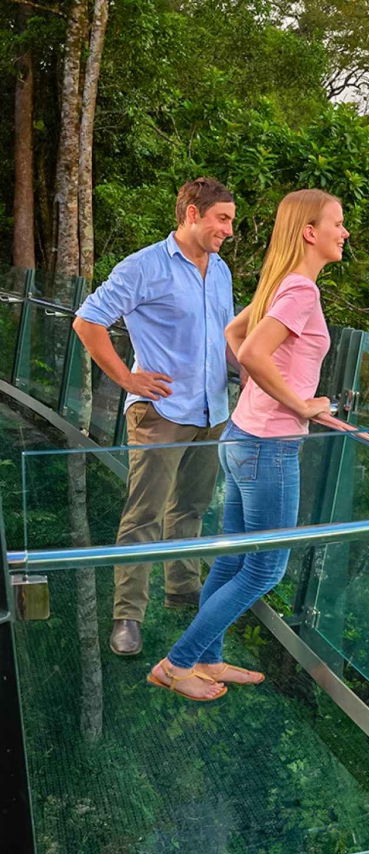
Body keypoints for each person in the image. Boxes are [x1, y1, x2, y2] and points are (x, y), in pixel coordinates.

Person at [148, 189, 343, 701]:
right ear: (309, 231)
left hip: (242, 436)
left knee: (234, 561)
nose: (343, 234)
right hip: (268, 447)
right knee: (265, 567)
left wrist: (265, 388)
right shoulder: (300, 291)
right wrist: (300, 403)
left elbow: (236, 335)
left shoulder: (283, 283)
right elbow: (253, 350)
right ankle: (178, 663)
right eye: (337, 224)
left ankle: (208, 660)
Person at [74, 178, 237, 658]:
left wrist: (249, 372)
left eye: (230, 220)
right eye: (221, 219)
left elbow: (223, 338)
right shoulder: (144, 266)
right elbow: (88, 321)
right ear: (191, 214)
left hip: (211, 411)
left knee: (190, 507)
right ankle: (127, 616)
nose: (229, 229)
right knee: (143, 515)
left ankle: (183, 590)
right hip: (162, 411)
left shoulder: (221, 269)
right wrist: (127, 378)